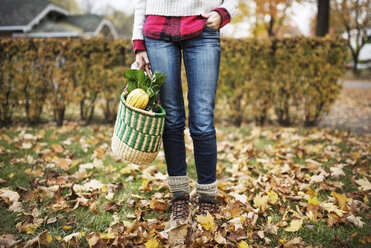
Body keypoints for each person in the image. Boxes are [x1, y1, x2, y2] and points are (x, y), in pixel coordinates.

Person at [132, 0, 239, 226]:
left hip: (203, 27)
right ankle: (179, 197)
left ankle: (207, 196)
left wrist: (225, 11)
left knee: (202, 120)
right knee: (171, 119)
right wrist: (138, 42)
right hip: (158, 30)